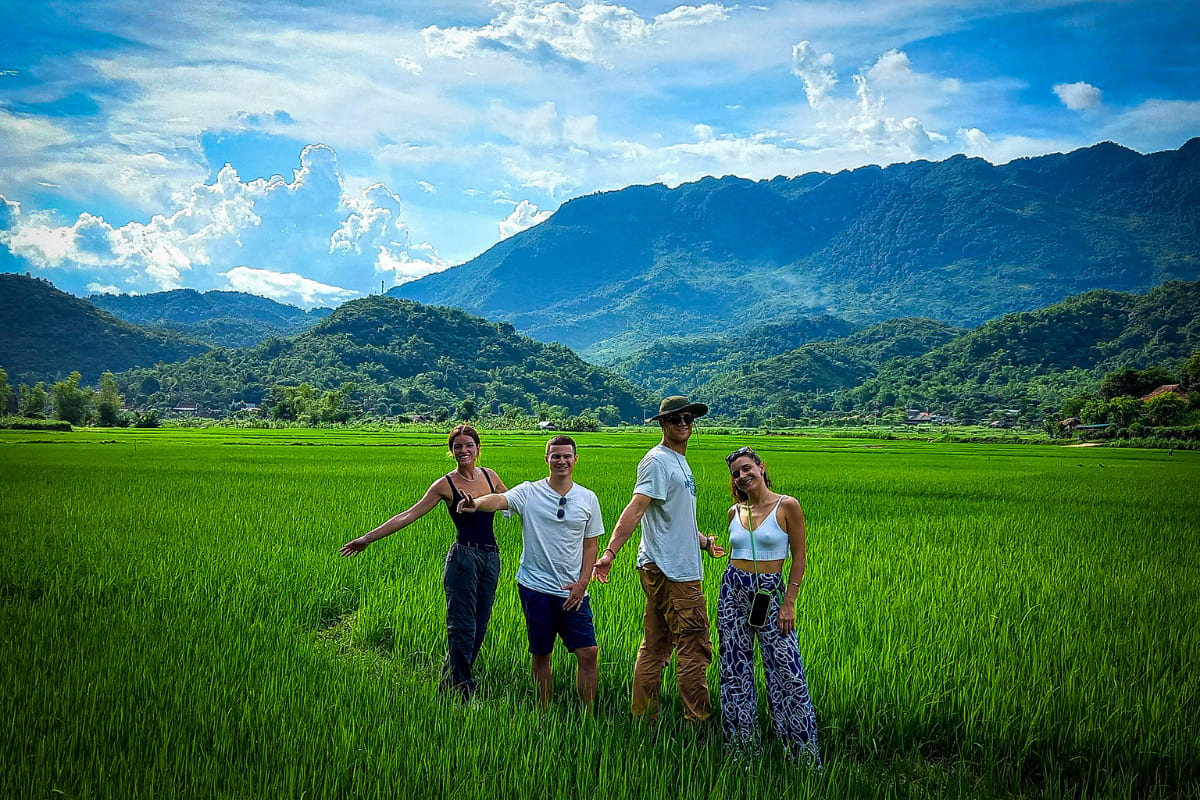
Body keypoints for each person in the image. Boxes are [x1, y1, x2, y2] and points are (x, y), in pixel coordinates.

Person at [339, 424, 508, 702]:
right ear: (451, 451)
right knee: (462, 626)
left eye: (468, 445)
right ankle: (464, 692)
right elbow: (408, 515)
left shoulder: (490, 476)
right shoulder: (446, 484)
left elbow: (513, 500)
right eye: (457, 446)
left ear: (478, 449)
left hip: (491, 557)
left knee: (480, 625)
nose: (463, 451)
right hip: (464, 557)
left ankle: (449, 686)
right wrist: (367, 538)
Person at [592, 395, 726, 724]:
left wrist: (704, 542)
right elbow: (636, 508)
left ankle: (643, 719)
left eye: (688, 419)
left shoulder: (678, 461)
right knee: (694, 645)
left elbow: (671, 519)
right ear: (662, 424)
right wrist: (609, 553)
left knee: (655, 644)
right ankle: (698, 723)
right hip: (673, 570)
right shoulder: (657, 460)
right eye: (675, 419)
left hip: (667, 563)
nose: (683, 424)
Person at [457, 435, 604, 710]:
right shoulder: (529, 492)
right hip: (535, 587)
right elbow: (500, 499)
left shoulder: (588, 498)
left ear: (575, 459)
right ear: (546, 459)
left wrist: (583, 583)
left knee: (588, 652)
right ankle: (544, 712)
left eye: (567, 456)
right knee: (541, 653)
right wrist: (476, 504)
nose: (561, 461)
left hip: (573, 590)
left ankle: (588, 717)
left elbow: (591, 543)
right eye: (555, 455)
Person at [717, 446, 820, 766]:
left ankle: (801, 756)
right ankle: (742, 753)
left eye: (747, 468)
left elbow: (799, 558)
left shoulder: (787, 506)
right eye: (736, 473)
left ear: (761, 467)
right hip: (733, 591)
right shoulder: (736, 511)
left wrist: (789, 603)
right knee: (735, 672)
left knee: (788, 673)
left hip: (771, 594)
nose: (743, 476)